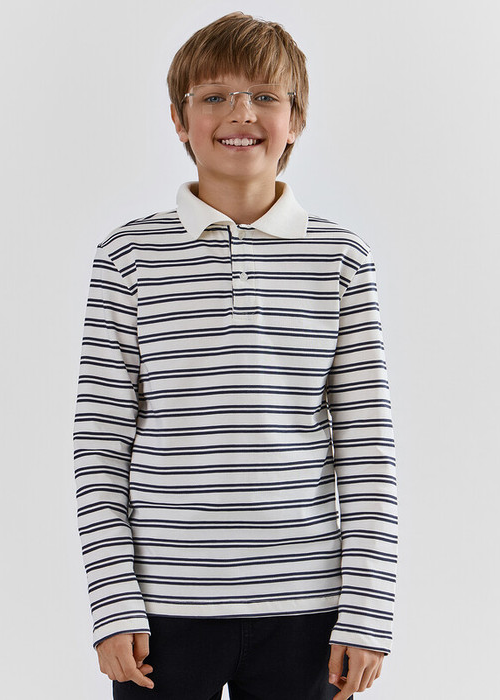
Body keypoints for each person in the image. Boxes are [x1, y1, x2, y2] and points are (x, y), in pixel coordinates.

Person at [73, 11, 398, 700]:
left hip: (307, 609)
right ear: (179, 118)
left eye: (264, 95)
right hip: (162, 609)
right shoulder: (127, 257)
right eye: (214, 95)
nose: (240, 113)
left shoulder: (340, 259)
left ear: (296, 119)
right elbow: (100, 444)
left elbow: (367, 447)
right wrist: (112, 603)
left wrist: (367, 612)